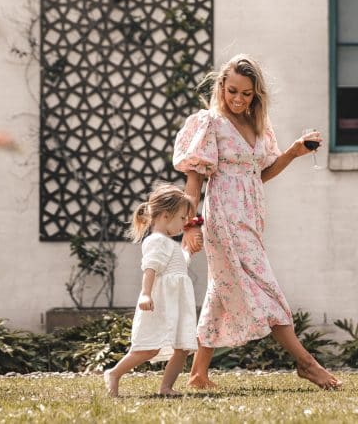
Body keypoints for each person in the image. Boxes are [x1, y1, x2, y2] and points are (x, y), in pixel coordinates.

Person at [173, 55, 341, 390]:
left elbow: (258, 175)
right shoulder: (210, 123)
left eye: (246, 93)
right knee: (268, 290)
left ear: (255, 94)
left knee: (220, 290)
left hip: (250, 218)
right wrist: (190, 224)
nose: (238, 98)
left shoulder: (257, 124)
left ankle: (197, 375)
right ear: (221, 85)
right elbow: (194, 181)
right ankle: (307, 364)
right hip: (222, 220)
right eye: (232, 90)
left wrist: (293, 152)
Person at [103, 184, 198, 397]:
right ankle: (115, 373)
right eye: (182, 218)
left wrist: (189, 252)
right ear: (165, 215)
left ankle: (166, 387)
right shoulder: (156, 241)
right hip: (161, 303)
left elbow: (177, 266)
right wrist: (146, 293)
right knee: (149, 348)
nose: (185, 223)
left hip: (177, 302)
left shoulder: (169, 243)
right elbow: (150, 268)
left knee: (182, 347)